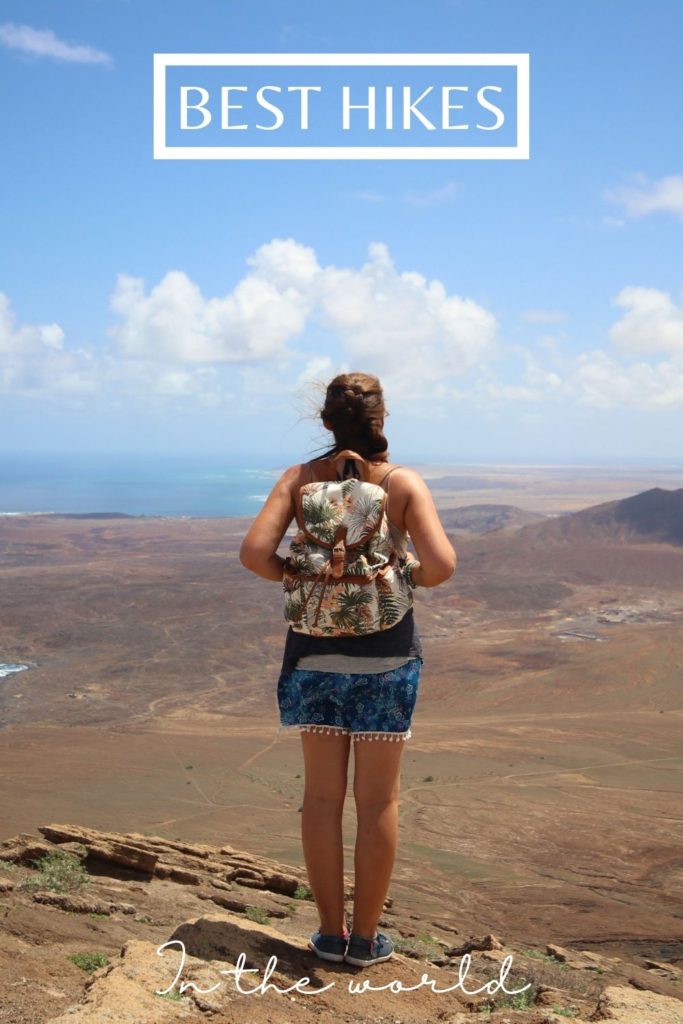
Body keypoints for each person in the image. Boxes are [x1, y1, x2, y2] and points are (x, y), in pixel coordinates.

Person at [239, 372, 456, 967]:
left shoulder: (299, 479)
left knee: (321, 799)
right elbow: (441, 567)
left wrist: (304, 578)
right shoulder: (402, 483)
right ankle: (365, 942)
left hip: (313, 655)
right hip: (388, 660)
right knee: (378, 803)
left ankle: (328, 936)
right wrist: (399, 572)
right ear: (382, 420)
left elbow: (254, 553)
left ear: (326, 421)